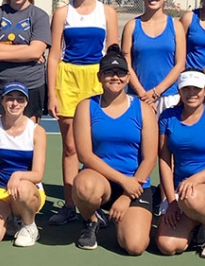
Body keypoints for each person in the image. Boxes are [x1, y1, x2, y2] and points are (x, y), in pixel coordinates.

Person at [46, 0, 119, 225]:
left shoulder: (108, 12)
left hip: (96, 80)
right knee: (70, 147)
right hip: (68, 79)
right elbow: (53, 55)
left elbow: (113, 54)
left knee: (97, 144)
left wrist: (112, 86)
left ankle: (96, 202)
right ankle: (69, 205)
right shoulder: (62, 13)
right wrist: (52, 94)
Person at [70, 45, 157, 255]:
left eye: (120, 73)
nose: (115, 77)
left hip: (135, 184)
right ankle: (92, 220)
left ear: (128, 77)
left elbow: (150, 157)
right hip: (101, 181)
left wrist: (128, 194)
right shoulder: (86, 107)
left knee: (135, 246)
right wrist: (122, 180)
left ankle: (125, 220)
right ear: (100, 77)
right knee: (84, 186)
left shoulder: (143, 109)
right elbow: (85, 155)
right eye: (109, 72)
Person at [155, 70, 205, 259]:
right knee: (167, 245)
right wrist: (171, 201)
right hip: (181, 192)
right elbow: (165, 161)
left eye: (197, 89)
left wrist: (192, 181)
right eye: (186, 89)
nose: (192, 93)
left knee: (190, 196)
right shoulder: (167, 117)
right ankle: (198, 224)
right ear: (180, 91)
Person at [0, 81, 47, 248]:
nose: (15, 103)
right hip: (0, 190)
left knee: (22, 189)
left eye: (20, 99)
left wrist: (18, 175)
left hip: (28, 191)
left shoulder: (37, 131)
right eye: (10, 98)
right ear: (2, 101)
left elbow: (38, 174)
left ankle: (29, 225)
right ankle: (13, 219)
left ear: (26, 103)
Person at [122, 0, 186, 116]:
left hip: (169, 96)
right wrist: (143, 94)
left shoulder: (176, 26)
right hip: (138, 96)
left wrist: (156, 92)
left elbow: (180, 64)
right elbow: (126, 64)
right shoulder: (131, 26)